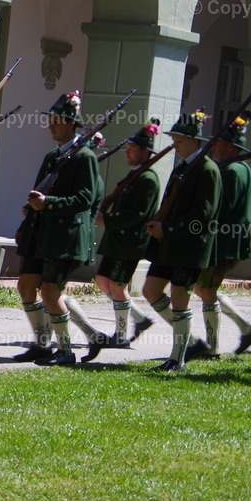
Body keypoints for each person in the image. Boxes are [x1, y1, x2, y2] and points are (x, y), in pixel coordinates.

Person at [13, 92, 102, 366]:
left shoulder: (84, 156)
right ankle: (42, 345)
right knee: (26, 287)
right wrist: (26, 222)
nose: (51, 125)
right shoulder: (53, 155)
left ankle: (65, 350)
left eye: (57, 121)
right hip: (41, 234)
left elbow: (84, 199)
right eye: (51, 120)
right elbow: (37, 192)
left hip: (64, 237)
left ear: (71, 124)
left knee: (50, 293)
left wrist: (48, 204)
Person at [141, 109, 221, 372]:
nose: (175, 143)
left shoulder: (207, 169)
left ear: (196, 140)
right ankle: (192, 342)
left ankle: (178, 358)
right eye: (174, 138)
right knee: (151, 291)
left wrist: (169, 229)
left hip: (190, 245)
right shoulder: (184, 167)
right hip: (169, 243)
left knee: (179, 298)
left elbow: (203, 216)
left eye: (180, 139)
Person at [90, 119, 161, 359]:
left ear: (145, 152)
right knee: (102, 280)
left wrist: (106, 220)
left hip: (129, 242)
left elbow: (137, 214)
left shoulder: (148, 179)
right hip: (116, 240)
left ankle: (121, 336)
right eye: (128, 148)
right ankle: (139, 319)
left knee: (117, 286)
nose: (128, 152)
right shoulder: (135, 175)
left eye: (133, 149)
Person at [192, 115, 251, 357]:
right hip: (230, 242)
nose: (213, 146)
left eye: (218, 142)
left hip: (223, 243)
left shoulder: (231, 171)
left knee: (206, 290)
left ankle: (213, 347)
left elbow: (222, 209)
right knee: (202, 288)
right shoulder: (242, 168)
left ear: (231, 146)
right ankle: (247, 328)